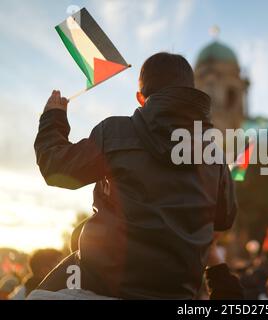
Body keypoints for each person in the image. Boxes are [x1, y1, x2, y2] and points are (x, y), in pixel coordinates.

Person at [33, 52, 237, 299]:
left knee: (38, 295)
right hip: (178, 291)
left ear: (141, 98)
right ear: (192, 93)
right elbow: (224, 219)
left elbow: (56, 170)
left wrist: (53, 118)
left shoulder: (115, 131)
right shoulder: (214, 154)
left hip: (105, 282)